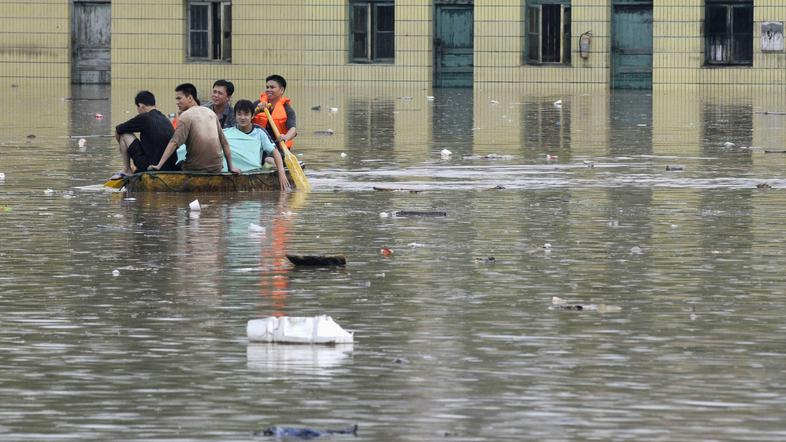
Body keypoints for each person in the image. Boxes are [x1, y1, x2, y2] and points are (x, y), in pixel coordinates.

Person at [149, 83, 240, 174]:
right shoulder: (211, 113)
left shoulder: (185, 116)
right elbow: (224, 143)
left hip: (195, 168)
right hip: (216, 168)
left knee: (175, 164)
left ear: (190, 98)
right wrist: (230, 167)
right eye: (214, 92)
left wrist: (159, 165)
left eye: (179, 98)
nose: (177, 102)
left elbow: (174, 143)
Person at [227, 100, 290, 191]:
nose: (242, 117)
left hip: (254, 170)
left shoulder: (259, 132)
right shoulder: (228, 132)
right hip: (235, 171)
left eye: (246, 114)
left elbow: (275, 152)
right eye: (239, 114)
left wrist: (281, 172)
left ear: (252, 116)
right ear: (235, 116)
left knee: (269, 161)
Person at [113, 90, 177, 178]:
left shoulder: (144, 117)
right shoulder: (165, 119)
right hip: (168, 166)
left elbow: (118, 129)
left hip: (149, 166)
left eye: (137, 108)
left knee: (124, 134)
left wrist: (122, 147)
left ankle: (127, 169)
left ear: (141, 106)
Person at [252, 74, 297, 149]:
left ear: (281, 90)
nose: (268, 90)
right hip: (259, 146)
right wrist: (256, 111)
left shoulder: (288, 110)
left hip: (278, 147)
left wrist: (285, 137)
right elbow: (243, 119)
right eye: (267, 87)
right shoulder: (257, 104)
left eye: (272, 87)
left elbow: (293, 130)